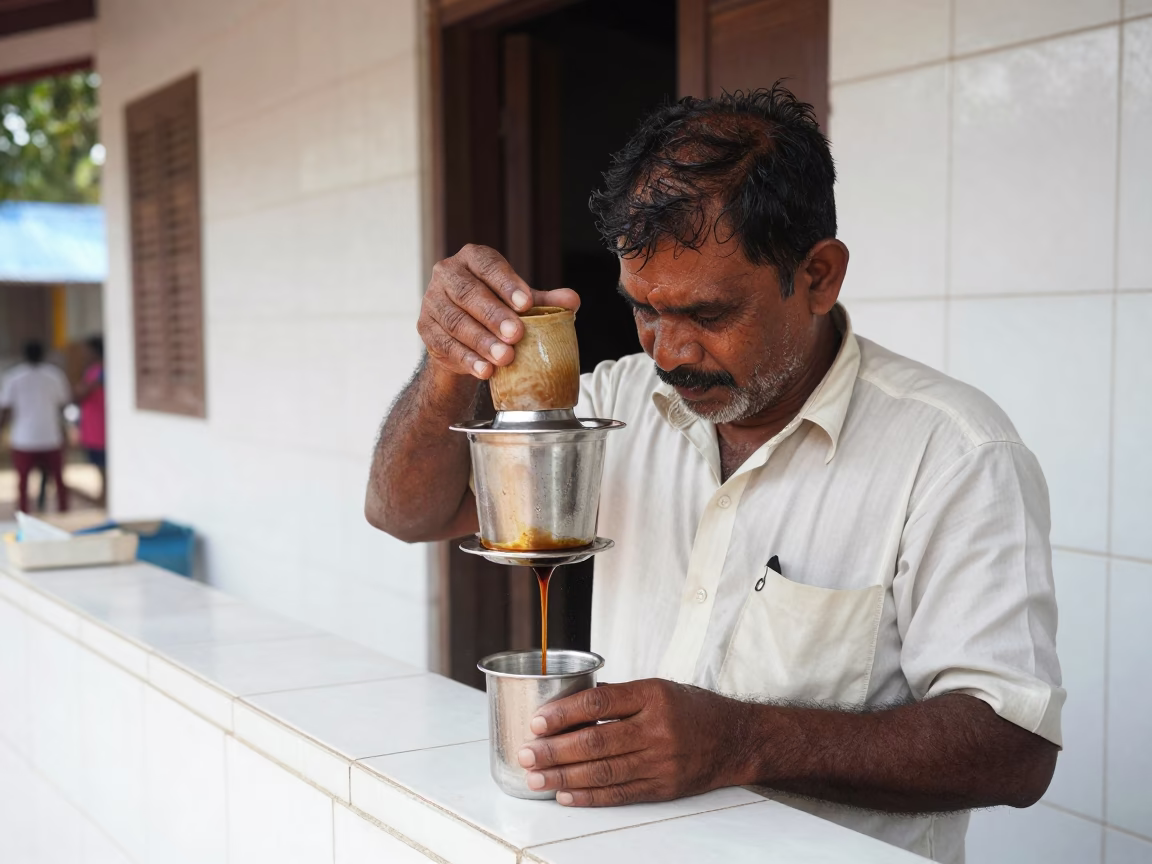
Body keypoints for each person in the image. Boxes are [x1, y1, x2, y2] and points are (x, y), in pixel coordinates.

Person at [364, 87, 1061, 863]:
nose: (668, 353)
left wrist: (742, 739)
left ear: (820, 276)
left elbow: (1013, 747)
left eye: (708, 314)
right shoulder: (616, 403)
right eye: (645, 310)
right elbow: (407, 511)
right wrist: (449, 360)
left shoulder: (954, 451)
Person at [0, 340, 72, 514]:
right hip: (50, 436)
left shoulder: (14, 377)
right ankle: (63, 512)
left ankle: (24, 513)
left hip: (24, 438)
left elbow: (6, 410)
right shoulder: (55, 376)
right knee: (58, 479)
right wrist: (66, 430)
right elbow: (63, 405)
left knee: (23, 481)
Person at [73, 335, 107, 506]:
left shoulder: (100, 372)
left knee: (104, 464)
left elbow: (79, 394)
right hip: (94, 426)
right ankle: (104, 496)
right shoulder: (92, 371)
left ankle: (105, 497)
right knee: (99, 465)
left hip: (101, 428)